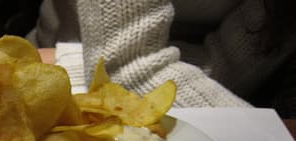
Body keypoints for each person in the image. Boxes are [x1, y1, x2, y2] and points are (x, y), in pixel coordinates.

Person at [28, 0, 296, 112]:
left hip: (195, 89)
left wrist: (75, 61)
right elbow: (131, 68)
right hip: (55, 83)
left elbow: (233, 60)